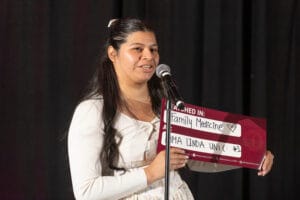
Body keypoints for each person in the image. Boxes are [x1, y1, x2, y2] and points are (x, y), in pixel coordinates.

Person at [67, 18, 274, 200]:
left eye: (153, 49)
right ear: (113, 54)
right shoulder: (93, 110)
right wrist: (150, 173)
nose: (149, 56)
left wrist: (250, 154)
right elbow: (86, 191)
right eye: (137, 49)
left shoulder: (167, 103)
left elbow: (193, 159)